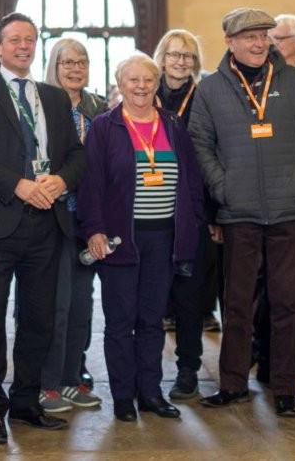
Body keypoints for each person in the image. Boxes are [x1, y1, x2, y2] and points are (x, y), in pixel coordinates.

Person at [0, 12, 86, 445]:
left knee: (38, 320)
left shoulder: (54, 97)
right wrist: (19, 185)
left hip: (47, 225)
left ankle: (26, 401)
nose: (23, 47)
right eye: (15, 40)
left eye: (30, 40)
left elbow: (76, 155)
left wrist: (61, 180)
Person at [190, 8, 295, 418]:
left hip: (288, 211)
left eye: (263, 36)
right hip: (239, 213)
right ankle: (233, 383)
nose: (257, 44)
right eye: (249, 37)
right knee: (236, 303)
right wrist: (223, 188)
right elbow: (200, 143)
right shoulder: (212, 88)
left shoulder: (294, 81)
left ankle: (285, 386)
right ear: (230, 42)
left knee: (288, 302)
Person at [78, 53, 204, 422]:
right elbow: (91, 185)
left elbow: (191, 179)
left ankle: (150, 392)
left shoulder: (172, 124)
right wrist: (94, 230)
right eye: (132, 79)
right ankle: (122, 396)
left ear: (156, 83)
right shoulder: (105, 126)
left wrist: (193, 221)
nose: (141, 86)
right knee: (120, 321)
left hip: (164, 238)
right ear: (120, 83)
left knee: (151, 320)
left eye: (148, 79)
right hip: (121, 239)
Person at [37, 38, 108, 413]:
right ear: (54, 65)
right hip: (52, 218)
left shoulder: (99, 107)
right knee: (55, 305)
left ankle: (71, 377)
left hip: (89, 219)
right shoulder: (40, 104)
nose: (75, 68)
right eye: (67, 62)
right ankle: (46, 382)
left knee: (82, 304)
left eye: (81, 62)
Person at [151, 28, 218, 402]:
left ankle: (188, 370)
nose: (180, 62)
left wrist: (214, 214)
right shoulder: (144, 93)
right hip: (149, 211)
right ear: (161, 57)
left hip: (193, 211)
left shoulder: (206, 97)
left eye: (187, 56)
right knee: (153, 299)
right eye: (174, 54)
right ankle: (147, 370)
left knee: (191, 299)